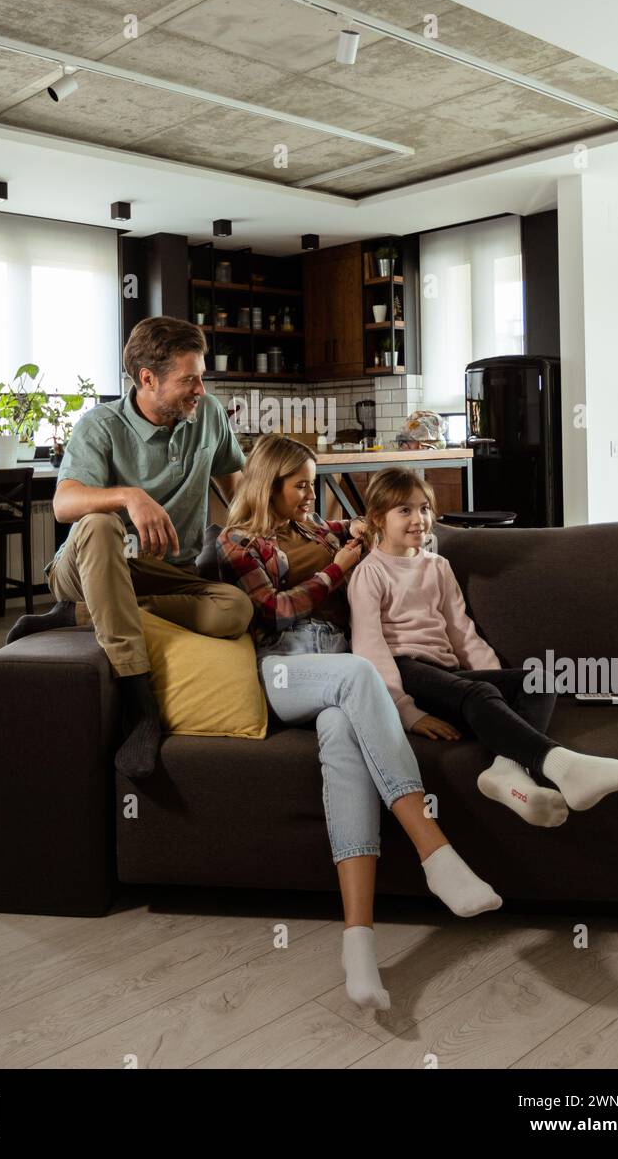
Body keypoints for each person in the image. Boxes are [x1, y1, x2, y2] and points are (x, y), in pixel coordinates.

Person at [217, 433, 503, 1014]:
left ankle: (358, 945)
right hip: (286, 668)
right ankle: (434, 851)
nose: (310, 494)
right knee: (357, 676)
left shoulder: (325, 531)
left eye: (313, 483)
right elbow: (277, 609)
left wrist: (373, 534)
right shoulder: (238, 540)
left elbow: (389, 539)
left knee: (344, 737)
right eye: (300, 484)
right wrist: (341, 563)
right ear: (270, 485)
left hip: (341, 666)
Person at [7, 316, 252, 780]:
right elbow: (63, 504)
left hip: (164, 571)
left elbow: (236, 491)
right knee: (99, 524)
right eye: (189, 379)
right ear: (147, 380)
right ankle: (139, 699)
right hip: (87, 567)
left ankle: (79, 615)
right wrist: (129, 496)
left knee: (234, 610)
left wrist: (257, 533)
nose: (200, 388)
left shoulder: (209, 415)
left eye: (201, 377)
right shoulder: (100, 426)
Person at [347, 467, 618, 821]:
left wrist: (493, 679)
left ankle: (507, 770)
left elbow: (461, 631)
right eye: (403, 510)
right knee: (480, 695)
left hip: (447, 676)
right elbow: (369, 648)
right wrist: (406, 711)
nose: (418, 519)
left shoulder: (438, 566)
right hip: (404, 670)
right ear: (377, 518)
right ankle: (565, 767)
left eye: (424, 508)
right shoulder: (369, 572)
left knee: (541, 679)